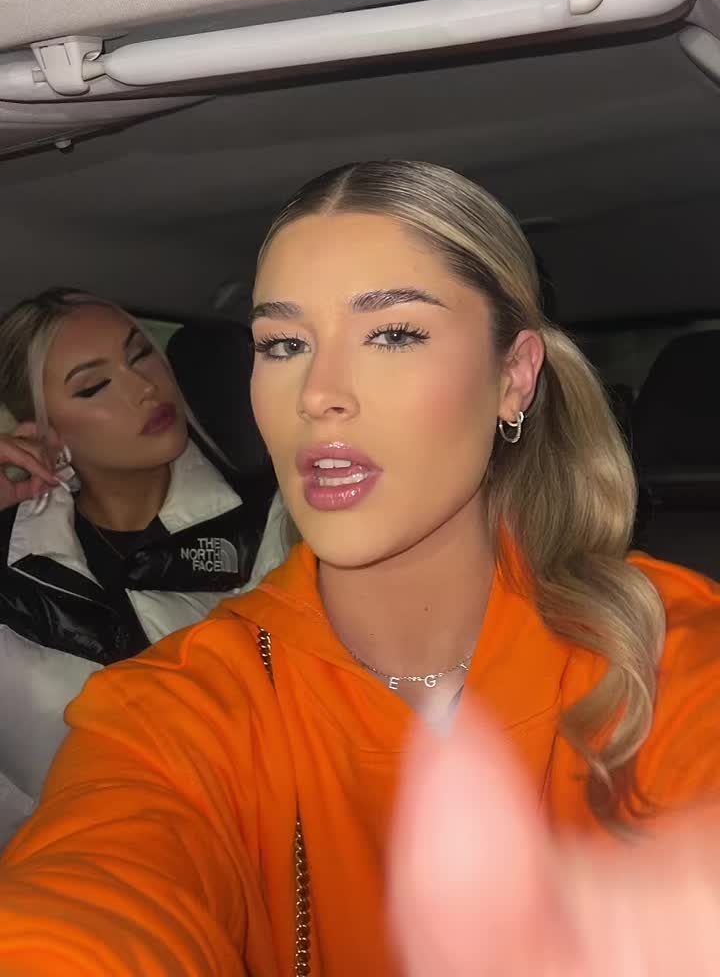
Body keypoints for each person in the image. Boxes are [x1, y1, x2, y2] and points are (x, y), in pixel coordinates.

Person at [0, 162, 720, 977]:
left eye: (394, 334)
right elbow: (89, 893)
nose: (318, 394)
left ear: (513, 377)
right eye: (284, 344)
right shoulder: (176, 710)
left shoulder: (664, 650)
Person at [0, 287, 283, 847]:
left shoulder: (275, 521)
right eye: (95, 386)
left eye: (141, 354)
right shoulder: (12, 561)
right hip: (67, 876)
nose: (145, 388)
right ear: (42, 431)